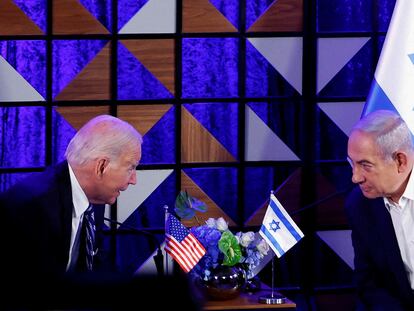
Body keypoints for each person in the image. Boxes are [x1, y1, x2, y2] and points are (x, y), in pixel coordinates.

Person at [0, 114, 143, 308]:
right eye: (131, 167)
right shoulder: (33, 207)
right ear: (101, 166)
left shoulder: (94, 199)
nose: (134, 180)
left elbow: (96, 270)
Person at [345, 109, 414, 310]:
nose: (355, 177)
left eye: (365, 165)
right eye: (352, 164)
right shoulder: (359, 205)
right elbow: (369, 285)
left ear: (400, 161)